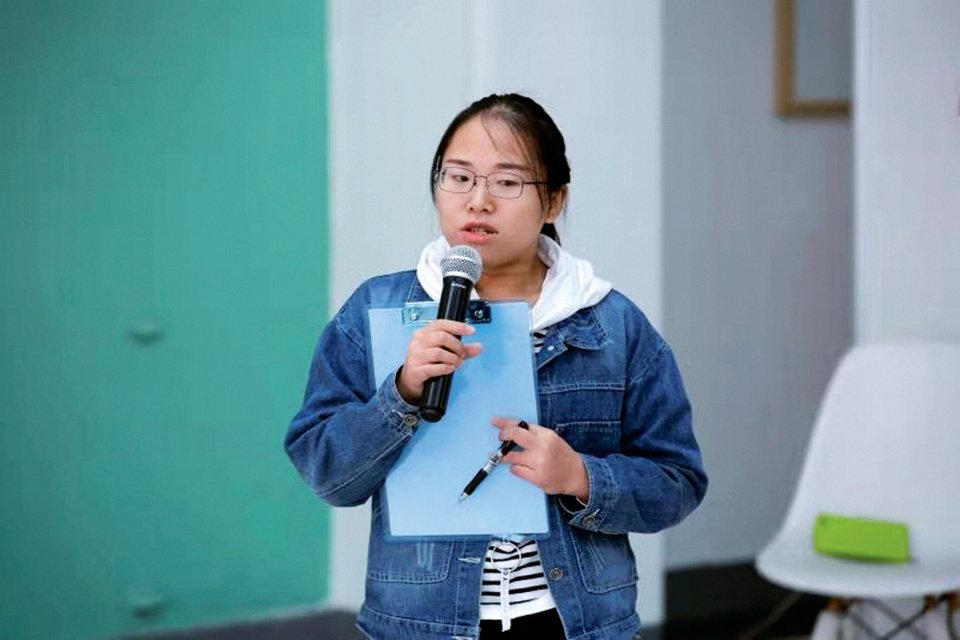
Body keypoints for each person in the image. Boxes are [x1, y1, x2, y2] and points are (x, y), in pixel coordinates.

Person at [285, 93, 707, 640]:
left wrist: (582, 476)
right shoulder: (377, 311)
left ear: (554, 200)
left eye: (507, 183)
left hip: (576, 623)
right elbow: (327, 473)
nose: (478, 201)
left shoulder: (614, 325)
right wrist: (403, 393)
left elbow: (677, 481)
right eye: (458, 177)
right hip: (422, 624)